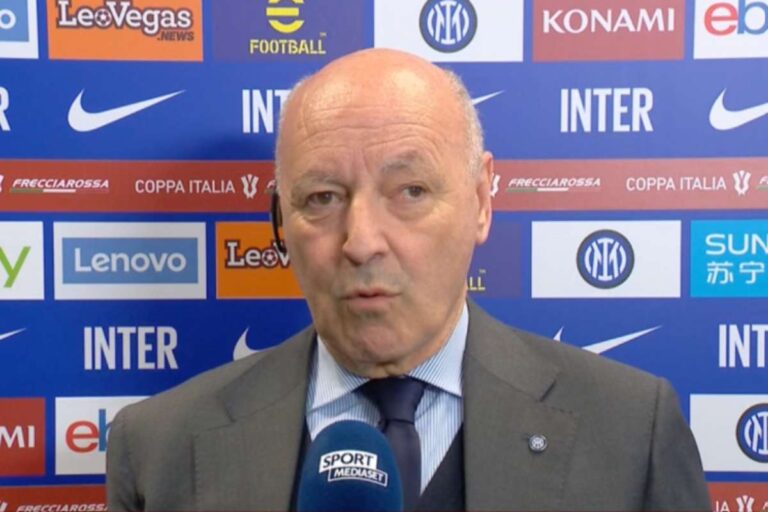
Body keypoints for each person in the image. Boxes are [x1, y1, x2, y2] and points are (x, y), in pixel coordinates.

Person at [106, 49, 710, 511]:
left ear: (481, 201)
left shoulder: (632, 432)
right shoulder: (158, 448)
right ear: (280, 221)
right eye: (322, 197)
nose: (362, 240)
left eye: (410, 191)